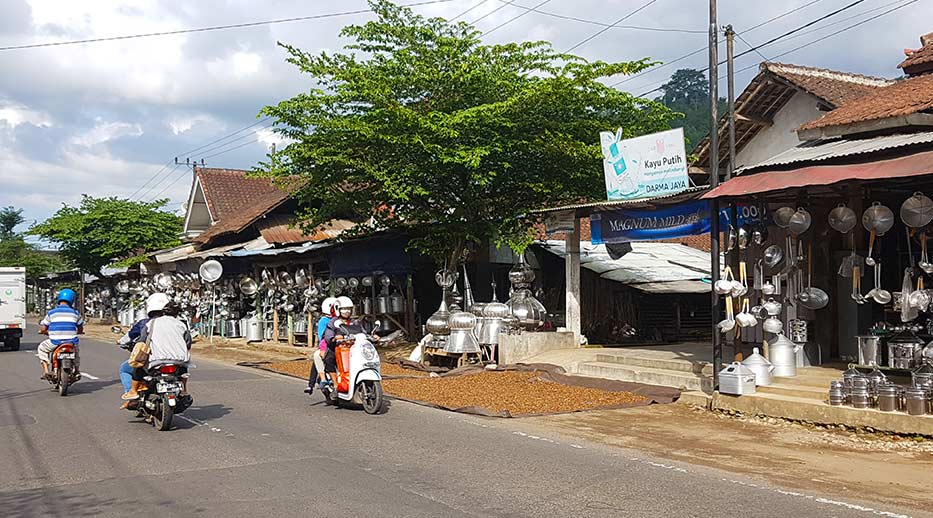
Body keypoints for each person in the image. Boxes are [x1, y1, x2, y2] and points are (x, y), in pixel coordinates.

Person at [122, 293, 191, 401]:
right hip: (180, 361)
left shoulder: (150, 323)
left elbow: (142, 341)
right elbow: (188, 342)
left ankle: (132, 391)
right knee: (183, 369)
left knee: (137, 367)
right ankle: (183, 390)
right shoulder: (181, 324)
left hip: (157, 361)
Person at [37, 288, 84, 380]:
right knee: (76, 353)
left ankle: (46, 371)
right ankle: (77, 370)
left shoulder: (52, 313)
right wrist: (79, 331)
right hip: (71, 342)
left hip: (55, 341)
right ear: (72, 301)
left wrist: (43, 331)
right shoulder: (76, 313)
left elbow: (43, 328)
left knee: (42, 348)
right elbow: (80, 328)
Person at [305, 297, 337, 394]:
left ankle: (311, 385)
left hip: (343, 346)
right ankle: (319, 381)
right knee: (317, 356)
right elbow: (322, 337)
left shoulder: (341, 319)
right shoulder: (324, 321)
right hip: (329, 345)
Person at [116, 316, 149, 406]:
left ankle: (131, 393)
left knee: (125, 369)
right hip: (177, 359)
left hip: (151, 358)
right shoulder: (177, 323)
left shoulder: (146, 323)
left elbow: (131, 336)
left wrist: (121, 341)